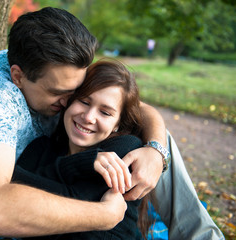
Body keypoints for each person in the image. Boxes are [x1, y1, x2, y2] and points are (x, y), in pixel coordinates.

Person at [0, 7, 224, 239]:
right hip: (23, 217)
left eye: (77, 91)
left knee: (153, 144)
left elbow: (134, 109)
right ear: (18, 77)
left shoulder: (51, 62)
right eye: (59, 93)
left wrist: (156, 151)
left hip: (58, 170)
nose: (72, 103)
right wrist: (103, 215)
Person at [12, 59, 153, 240]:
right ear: (69, 100)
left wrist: (16, 178)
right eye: (84, 102)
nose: (88, 117)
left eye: (105, 112)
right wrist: (84, 163)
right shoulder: (40, 147)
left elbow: (74, 198)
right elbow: (8, 195)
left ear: (117, 124)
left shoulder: (125, 149)